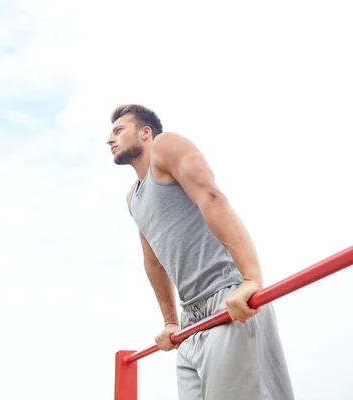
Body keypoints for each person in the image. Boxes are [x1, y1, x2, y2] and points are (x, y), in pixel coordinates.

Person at [107, 104, 295, 400]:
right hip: (191, 319)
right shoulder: (133, 199)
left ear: (145, 132)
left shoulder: (165, 146)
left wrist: (250, 280)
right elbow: (153, 261)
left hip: (227, 298)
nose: (110, 138)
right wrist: (170, 320)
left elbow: (211, 196)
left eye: (118, 130)